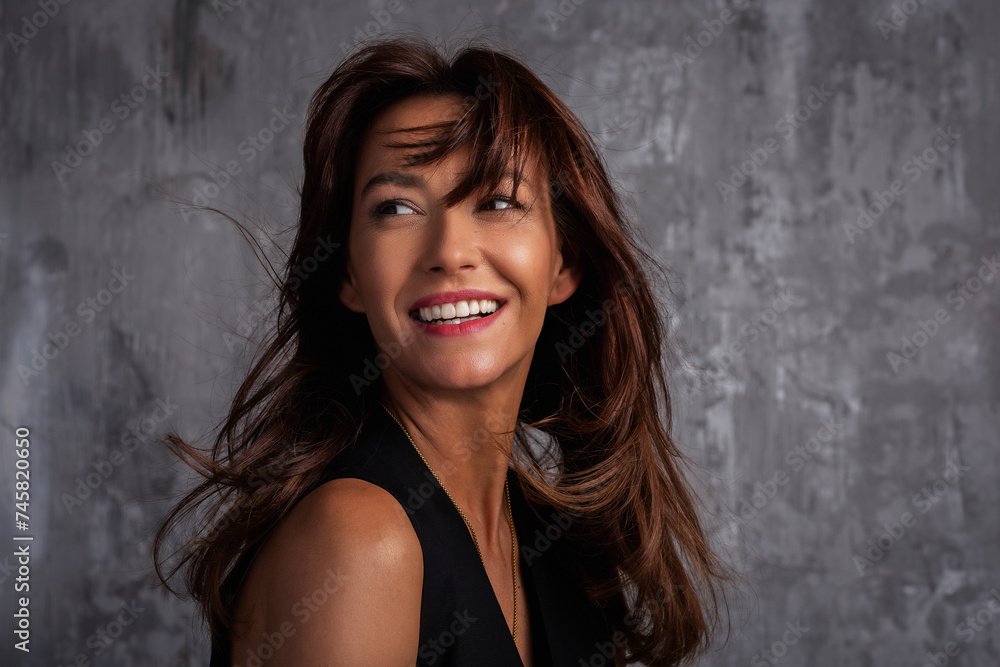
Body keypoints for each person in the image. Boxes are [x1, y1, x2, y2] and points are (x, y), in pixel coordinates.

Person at [154, 33, 730, 666]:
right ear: (348, 273)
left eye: (499, 201)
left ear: (564, 263)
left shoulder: (554, 537)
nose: (449, 252)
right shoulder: (358, 540)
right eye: (397, 208)